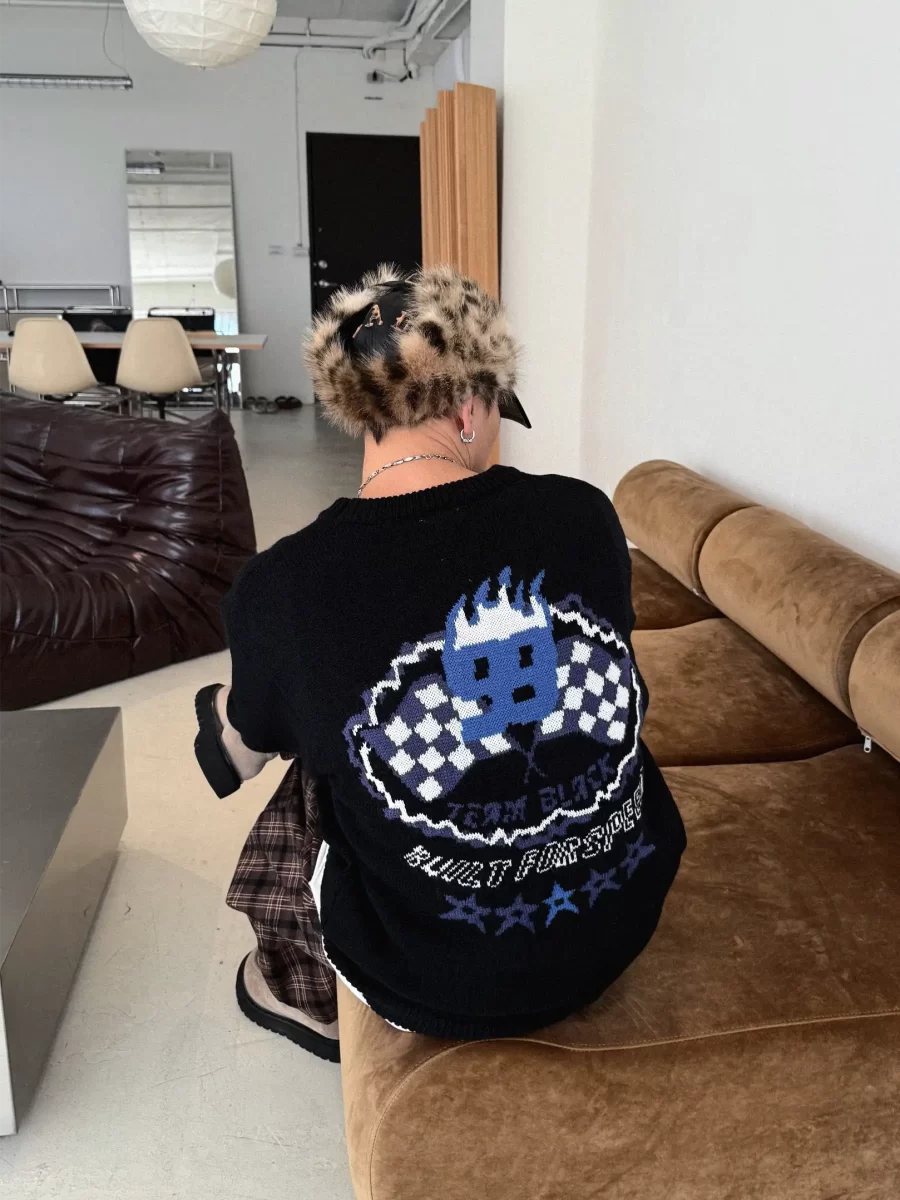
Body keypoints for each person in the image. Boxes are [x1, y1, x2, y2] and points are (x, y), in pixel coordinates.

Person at [195, 264, 686, 1062]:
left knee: (315, 747)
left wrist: (241, 713)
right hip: (624, 923)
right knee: (335, 705)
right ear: (467, 407)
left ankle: (301, 988)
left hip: (433, 981)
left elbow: (243, 757)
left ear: (359, 413)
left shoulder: (284, 585)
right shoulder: (584, 514)